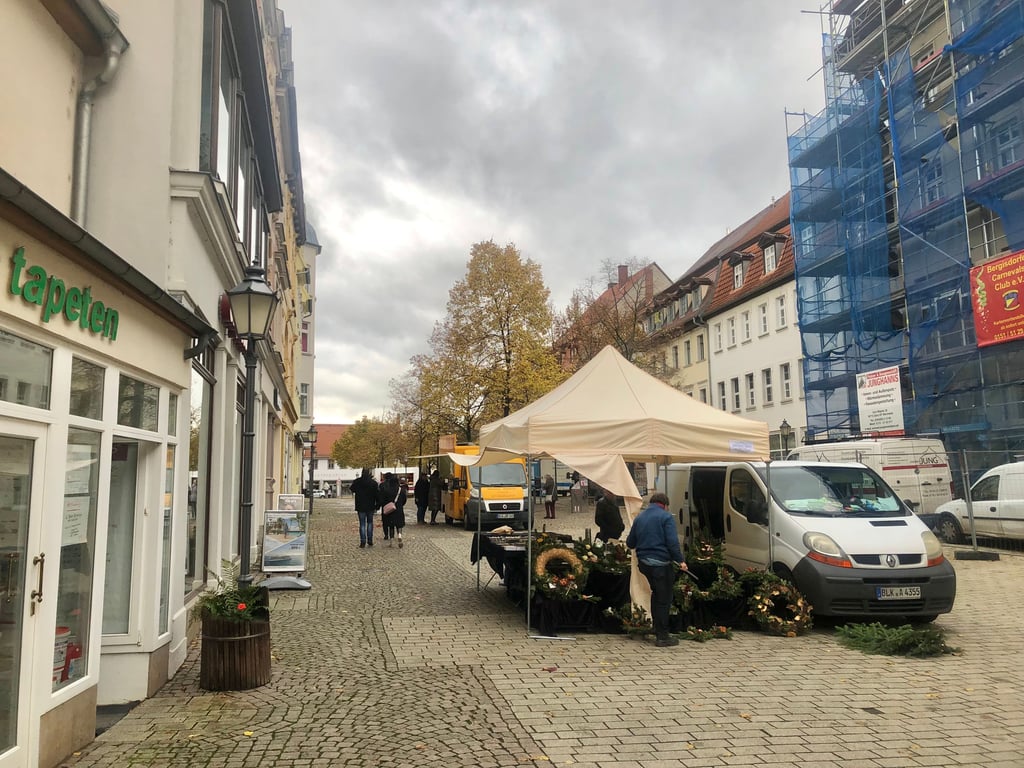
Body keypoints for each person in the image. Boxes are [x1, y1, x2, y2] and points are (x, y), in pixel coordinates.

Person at [625, 492, 688, 647]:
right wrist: (681, 561)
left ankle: (656, 628)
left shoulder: (640, 518)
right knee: (664, 599)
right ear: (665, 505)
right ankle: (662, 636)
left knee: (656, 594)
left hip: (645, 564)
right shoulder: (665, 517)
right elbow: (672, 542)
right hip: (660, 564)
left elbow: (630, 542)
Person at [350, 468, 379, 548]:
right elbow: (377, 494)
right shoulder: (373, 483)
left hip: (360, 505)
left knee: (362, 524)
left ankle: (363, 541)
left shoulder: (357, 481)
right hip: (370, 505)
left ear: (362, 473)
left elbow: (352, 489)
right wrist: (377, 505)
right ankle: (370, 540)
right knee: (370, 522)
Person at [378, 472, 408, 548]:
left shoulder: (387, 490)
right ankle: (400, 536)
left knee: (391, 526)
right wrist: (400, 505)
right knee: (399, 525)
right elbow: (404, 500)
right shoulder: (401, 490)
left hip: (390, 511)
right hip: (399, 510)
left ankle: (391, 541)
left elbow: (383, 500)